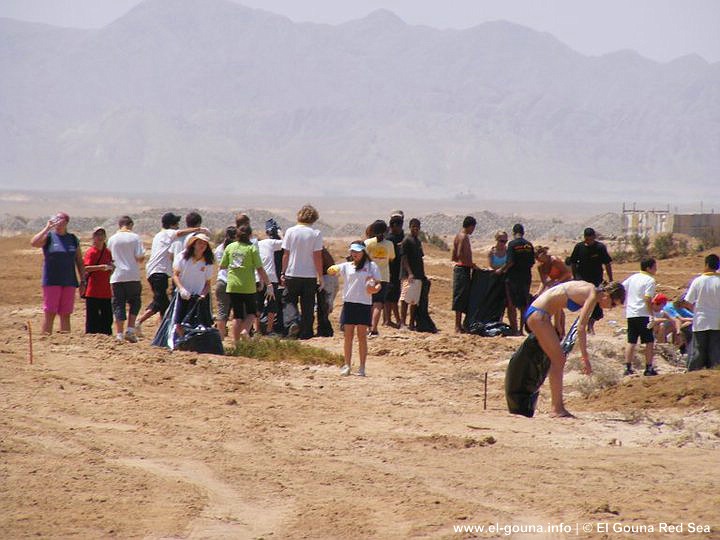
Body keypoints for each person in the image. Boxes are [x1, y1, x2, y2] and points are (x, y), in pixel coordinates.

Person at [525, 280, 626, 417]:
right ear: (607, 295)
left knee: (556, 360)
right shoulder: (592, 295)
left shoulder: (590, 288)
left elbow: (557, 294)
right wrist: (585, 358)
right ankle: (556, 409)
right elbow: (581, 328)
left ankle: (557, 407)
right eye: (613, 304)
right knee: (558, 360)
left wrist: (558, 323)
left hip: (540, 314)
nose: (610, 308)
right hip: (539, 315)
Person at [136, 212, 206, 332]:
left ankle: (142, 322)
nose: (178, 226)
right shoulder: (168, 233)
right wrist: (199, 229)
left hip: (155, 271)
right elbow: (179, 233)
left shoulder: (159, 235)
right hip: (159, 272)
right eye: (177, 223)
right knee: (164, 304)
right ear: (172, 224)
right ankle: (162, 330)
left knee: (160, 300)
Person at [327, 241, 381, 376]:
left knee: (362, 336)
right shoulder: (347, 266)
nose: (355, 254)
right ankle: (347, 365)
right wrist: (331, 269)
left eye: (357, 251)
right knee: (348, 336)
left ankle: (362, 367)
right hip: (349, 303)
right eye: (353, 251)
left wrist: (374, 289)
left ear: (363, 252)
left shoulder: (371, 266)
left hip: (363, 303)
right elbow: (334, 269)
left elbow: (378, 283)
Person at [30, 212, 84, 334]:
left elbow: (79, 261)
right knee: (50, 311)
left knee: (66, 312)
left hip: (69, 280)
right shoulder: (49, 237)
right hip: (52, 280)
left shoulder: (72, 239)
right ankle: (46, 337)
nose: (58, 223)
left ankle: (65, 339)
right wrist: (47, 228)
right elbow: (34, 243)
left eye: (61, 220)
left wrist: (83, 280)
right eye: (56, 220)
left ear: (66, 222)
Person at [220, 225, 271, 344]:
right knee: (252, 312)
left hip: (232, 285)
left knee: (237, 315)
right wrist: (268, 284)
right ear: (250, 235)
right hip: (248, 286)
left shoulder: (230, 247)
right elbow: (260, 269)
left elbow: (223, 265)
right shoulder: (251, 248)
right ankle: (245, 331)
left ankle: (236, 343)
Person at [281, 204, 324, 340]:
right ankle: (306, 332)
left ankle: (292, 323)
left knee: (289, 301)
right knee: (308, 305)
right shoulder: (316, 233)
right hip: (309, 275)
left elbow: (286, 254)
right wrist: (320, 276)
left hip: (292, 273)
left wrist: (283, 272)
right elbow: (317, 256)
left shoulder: (290, 231)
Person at [677, 254, 720, 371]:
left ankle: (693, 373)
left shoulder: (698, 281)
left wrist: (694, 309)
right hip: (717, 322)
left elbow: (687, 301)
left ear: (706, 265)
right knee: (715, 350)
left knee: (698, 349)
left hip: (701, 321)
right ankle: (715, 371)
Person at [107, 216, 145, 343]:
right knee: (135, 303)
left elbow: (109, 257)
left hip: (116, 276)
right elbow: (140, 256)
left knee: (118, 304)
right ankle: (130, 330)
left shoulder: (112, 239)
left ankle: (119, 334)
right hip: (132, 275)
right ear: (130, 225)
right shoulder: (135, 237)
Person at [569, 227, 613, 333]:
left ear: (594, 237)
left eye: (590, 238)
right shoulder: (579, 247)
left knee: (597, 304)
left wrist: (611, 279)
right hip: (582, 280)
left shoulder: (600, 247)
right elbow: (573, 262)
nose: (588, 241)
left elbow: (607, 263)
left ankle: (590, 324)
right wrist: (575, 277)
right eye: (586, 239)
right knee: (585, 303)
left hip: (596, 279)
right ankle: (582, 326)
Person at [622, 257, 659, 376]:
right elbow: (647, 298)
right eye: (654, 267)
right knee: (649, 341)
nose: (656, 269)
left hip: (631, 313)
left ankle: (627, 367)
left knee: (631, 340)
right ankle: (648, 368)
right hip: (643, 314)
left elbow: (622, 288)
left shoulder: (632, 277)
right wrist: (651, 314)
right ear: (648, 268)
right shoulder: (650, 280)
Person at [172, 233, 214, 337]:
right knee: (179, 322)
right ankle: (181, 340)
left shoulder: (207, 262)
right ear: (194, 244)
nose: (202, 246)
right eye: (200, 243)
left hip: (198, 297)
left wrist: (203, 295)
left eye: (205, 244)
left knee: (200, 322)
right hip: (183, 295)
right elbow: (175, 275)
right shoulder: (182, 257)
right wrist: (181, 289)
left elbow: (208, 283)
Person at [499, 224, 535, 335]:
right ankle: (521, 329)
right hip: (526, 278)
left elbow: (510, 262)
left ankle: (514, 330)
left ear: (513, 233)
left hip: (513, 278)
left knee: (512, 304)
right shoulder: (529, 245)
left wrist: (501, 270)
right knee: (524, 305)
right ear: (523, 232)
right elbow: (532, 262)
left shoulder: (512, 244)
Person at [364, 220, 395, 336]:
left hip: (369, 276)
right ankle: (374, 329)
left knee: (368, 303)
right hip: (383, 277)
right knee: (378, 303)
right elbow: (391, 258)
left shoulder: (367, 243)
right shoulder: (389, 244)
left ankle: (367, 327)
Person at [535, 245, 573, 337]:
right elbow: (544, 282)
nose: (537, 259)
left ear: (543, 253)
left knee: (558, 306)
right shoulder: (540, 267)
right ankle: (558, 331)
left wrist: (557, 281)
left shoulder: (555, 260)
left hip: (565, 283)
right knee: (554, 307)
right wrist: (539, 293)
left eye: (537, 256)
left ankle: (560, 330)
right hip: (554, 285)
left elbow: (567, 272)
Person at [82, 227, 114, 335]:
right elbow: (85, 268)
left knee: (107, 317)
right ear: (93, 238)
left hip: (105, 291)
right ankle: (91, 337)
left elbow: (110, 265)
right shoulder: (91, 252)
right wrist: (100, 267)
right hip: (93, 290)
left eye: (102, 235)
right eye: (97, 235)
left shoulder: (107, 252)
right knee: (92, 318)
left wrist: (111, 268)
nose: (100, 237)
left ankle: (106, 337)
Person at [451, 216, 478, 333]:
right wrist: (471, 264)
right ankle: (457, 326)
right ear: (470, 226)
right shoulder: (463, 236)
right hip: (462, 269)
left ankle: (461, 324)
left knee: (463, 297)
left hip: (461, 268)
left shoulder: (458, 235)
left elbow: (453, 256)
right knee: (460, 297)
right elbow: (459, 253)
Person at [257, 221, 284, 335]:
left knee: (257, 304)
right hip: (271, 278)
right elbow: (285, 243)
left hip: (258, 277)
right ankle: (269, 330)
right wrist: (281, 234)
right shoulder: (271, 243)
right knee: (272, 304)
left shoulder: (258, 243)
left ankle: (257, 330)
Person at [399, 218, 425, 330]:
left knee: (414, 300)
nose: (416, 229)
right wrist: (409, 273)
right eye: (414, 226)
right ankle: (402, 323)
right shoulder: (406, 241)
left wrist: (422, 275)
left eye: (417, 227)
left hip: (418, 274)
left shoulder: (418, 241)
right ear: (410, 227)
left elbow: (420, 258)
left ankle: (411, 323)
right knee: (405, 299)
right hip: (407, 275)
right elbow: (404, 258)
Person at [213, 226, 237, 338]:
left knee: (222, 311)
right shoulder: (237, 248)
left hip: (222, 282)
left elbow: (220, 265)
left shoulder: (219, 249)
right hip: (235, 283)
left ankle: (220, 337)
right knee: (238, 312)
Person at [384, 214, 404, 328]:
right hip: (392, 270)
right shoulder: (391, 239)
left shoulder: (396, 238)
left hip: (395, 270)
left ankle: (391, 319)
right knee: (391, 297)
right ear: (395, 226)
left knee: (392, 296)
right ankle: (390, 320)